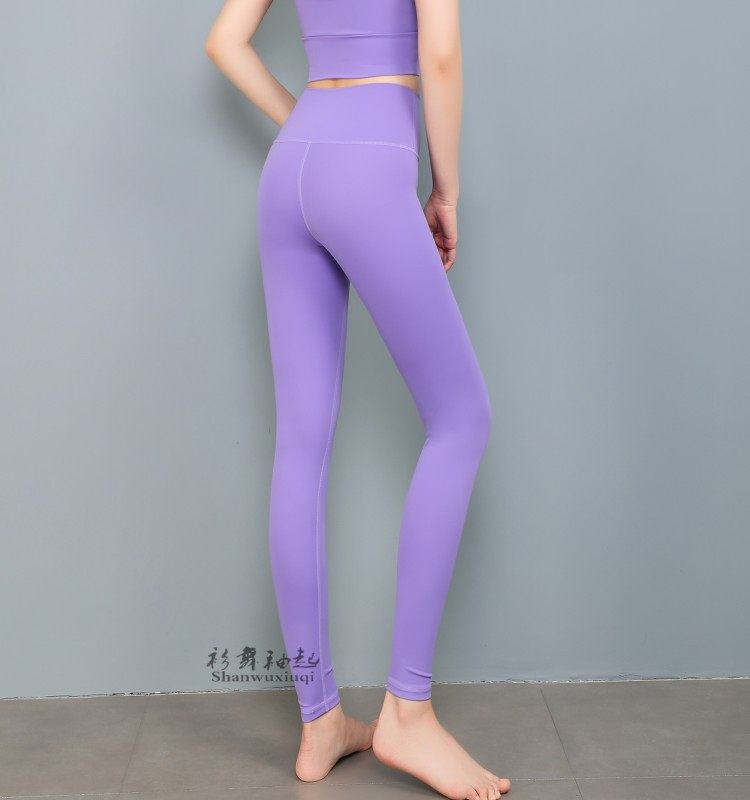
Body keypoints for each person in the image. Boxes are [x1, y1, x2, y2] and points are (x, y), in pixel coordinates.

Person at [206, 2, 510, 798]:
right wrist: (446, 191)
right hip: (372, 159)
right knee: (461, 418)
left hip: (293, 166)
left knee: (301, 443)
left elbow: (225, 42)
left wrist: (307, 127)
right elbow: (438, 55)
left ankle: (320, 722)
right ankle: (407, 712)